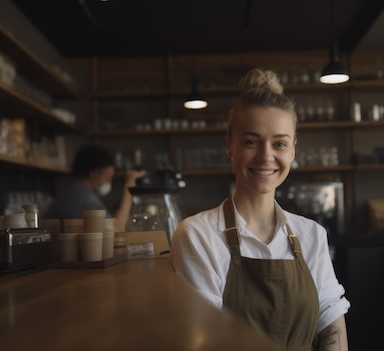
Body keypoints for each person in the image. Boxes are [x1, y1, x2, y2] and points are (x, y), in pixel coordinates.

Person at [170, 68, 350, 351]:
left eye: (279, 143)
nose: (266, 156)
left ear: (292, 150)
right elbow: (204, 337)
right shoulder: (198, 235)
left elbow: (330, 322)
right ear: (230, 145)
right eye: (251, 141)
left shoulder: (312, 235)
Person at [44, 143, 145, 231]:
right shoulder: (84, 199)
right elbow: (116, 229)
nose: (109, 183)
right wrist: (130, 182)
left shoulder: (73, 191)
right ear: (94, 174)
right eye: (107, 178)